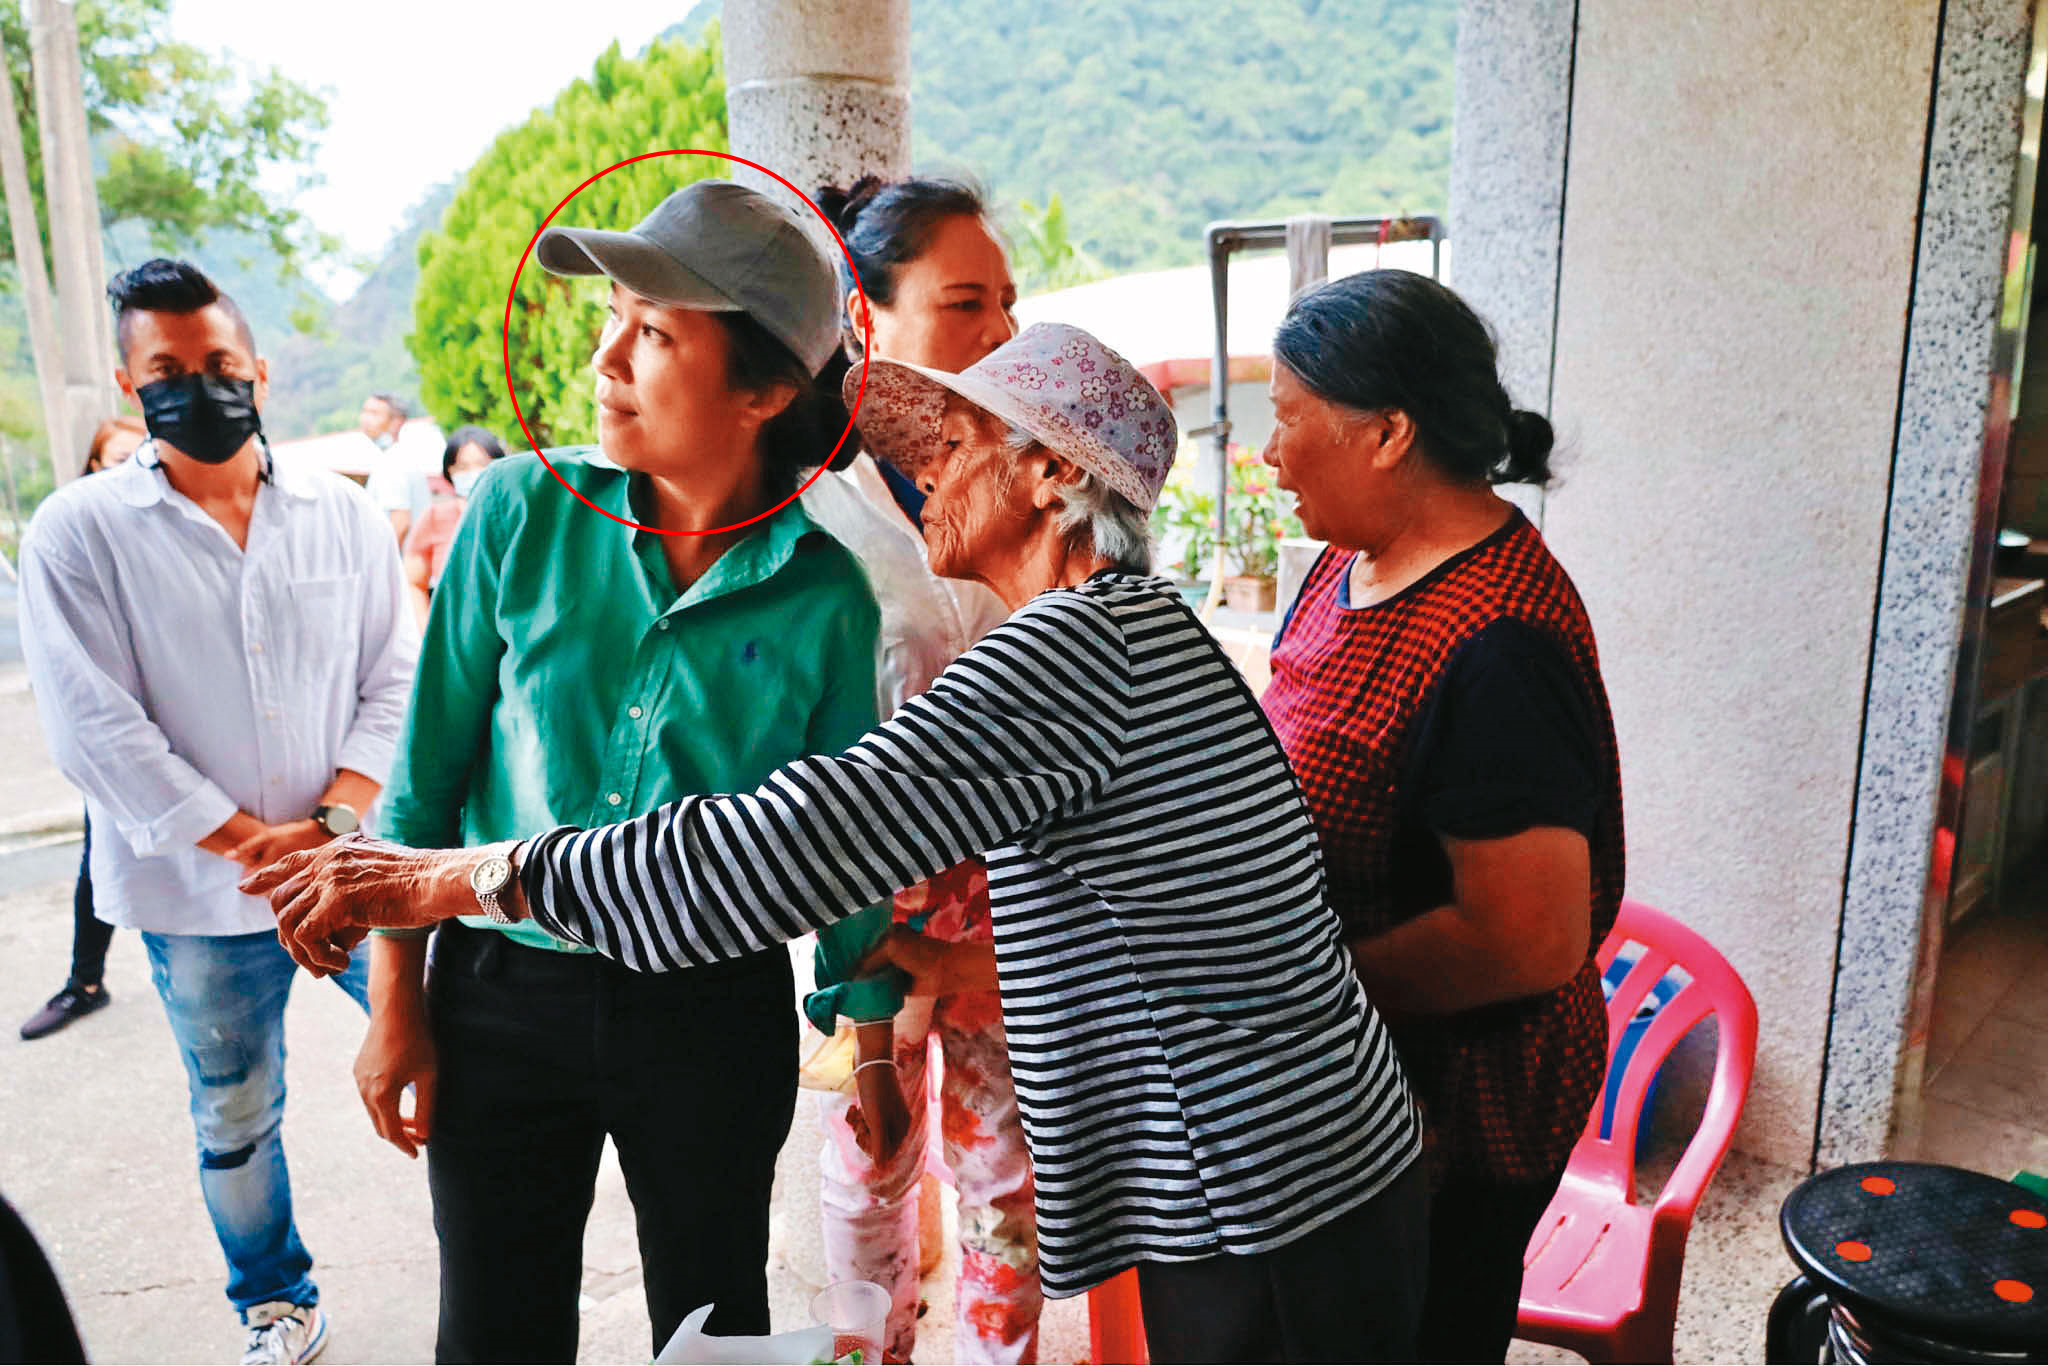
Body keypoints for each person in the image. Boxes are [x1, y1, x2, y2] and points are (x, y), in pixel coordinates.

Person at [249, 321, 1435, 1366]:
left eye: (957, 444)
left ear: (1044, 475)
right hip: (1294, 1164)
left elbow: (775, 849)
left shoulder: (1070, 654)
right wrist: (917, 981)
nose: (924, 478)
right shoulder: (1129, 633)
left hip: (1263, 1189)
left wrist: (464, 874)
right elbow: (1148, 924)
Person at [345, 179, 894, 1364]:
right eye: (611, 318)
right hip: (497, 994)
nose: (604, 357)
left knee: (710, 1326)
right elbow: (424, 780)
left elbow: (846, 853)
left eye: (652, 331)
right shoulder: (514, 515)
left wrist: (875, 1043)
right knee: (494, 1330)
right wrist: (398, 1005)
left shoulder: (828, 602)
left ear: (762, 392)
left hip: (710, 1006)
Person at [16, 258, 417, 1365]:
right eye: (169, 372)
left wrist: (332, 821)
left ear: (262, 371)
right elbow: (93, 724)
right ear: (128, 384)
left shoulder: (340, 519)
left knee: (452, 1057)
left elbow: (397, 673)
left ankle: (486, 1256)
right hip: (200, 900)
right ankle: (275, 1299)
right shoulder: (78, 533)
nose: (199, 387)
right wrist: (251, 843)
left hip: (355, 871)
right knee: (234, 1116)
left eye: (220, 365)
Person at [1256, 269, 1624, 1364]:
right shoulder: (1343, 565)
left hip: (1455, 1114)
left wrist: (1300, 992)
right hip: (1353, 1077)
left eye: (1284, 420)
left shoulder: (1495, 641)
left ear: (1385, 433)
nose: (1267, 454)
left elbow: (1523, 936)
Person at [798, 173, 1038, 1364]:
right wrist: (869, 976)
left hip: (1012, 896)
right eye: (963, 301)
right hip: (859, 905)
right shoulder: (804, 506)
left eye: (1006, 301)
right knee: (869, 1162)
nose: (998, 332)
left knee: (1006, 1171)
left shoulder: (1027, 472)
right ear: (865, 315)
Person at [19, 418, 148, 1042]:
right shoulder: (69, 540)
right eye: (114, 460)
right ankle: (85, 980)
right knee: (103, 852)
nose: (129, 471)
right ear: (91, 467)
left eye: (140, 458)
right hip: (124, 745)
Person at [400, 425, 504, 626]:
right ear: (449, 471)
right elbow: (413, 582)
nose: (474, 473)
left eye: (482, 464)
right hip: (454, 633)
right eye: (462, 467)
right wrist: (426, 631)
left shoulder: (516, 513)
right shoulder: (435, 517)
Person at [359, 392, 427, 543]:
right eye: (364, 411)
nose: (365, 419)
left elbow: (400, 524)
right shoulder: (398, 457)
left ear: (397, 422)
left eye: (374, 413)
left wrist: (381, 564)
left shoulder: (394, 462)